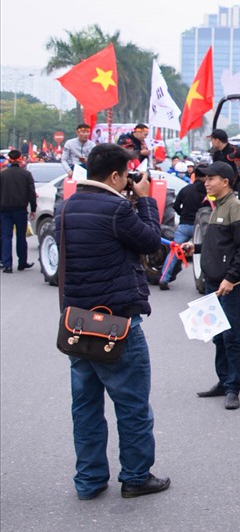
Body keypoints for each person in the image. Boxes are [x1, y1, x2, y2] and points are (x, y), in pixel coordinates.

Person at [57, 143, 170, 498]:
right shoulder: (118, 209)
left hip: (77, 322)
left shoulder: (67, 206)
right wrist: (147, 200)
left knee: (85, 407)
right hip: (117, 324)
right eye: (126, 175)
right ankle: (136, 477)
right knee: (132, 404)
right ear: (117, 175)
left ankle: (89, 481)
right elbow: (153, 242)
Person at [191, 162, 240, 410]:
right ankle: (223, 381)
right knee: (217, 335)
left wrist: (231, 278)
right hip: (213, 284)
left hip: (228, 285)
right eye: (205, 179)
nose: (205, 182)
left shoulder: (236, 208)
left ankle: (233, 388)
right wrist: (194, 248)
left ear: (225, 181)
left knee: (231, 337)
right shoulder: (217, 207)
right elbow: (218, 247)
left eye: (210, 178)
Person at [159, 165, 207, 288]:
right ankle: (205, 280)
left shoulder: (186, 189)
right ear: (206, 177)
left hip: (184, 225)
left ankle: (164, 279)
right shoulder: (208, 191)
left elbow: (175, 206)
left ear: (194, 175)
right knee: (205, 251)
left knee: (174, 251)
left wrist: (182, 214)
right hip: (201, 226)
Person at [0, 148, 37, 273]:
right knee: (21, 236)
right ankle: (22, 262)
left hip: (4, 210)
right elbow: (32, 193)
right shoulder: (26, 174)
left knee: (6, 236)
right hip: (20, 209)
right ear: (21, 159)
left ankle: (7, 264)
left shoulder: (2, 174)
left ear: (9, 159)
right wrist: (33, 208)